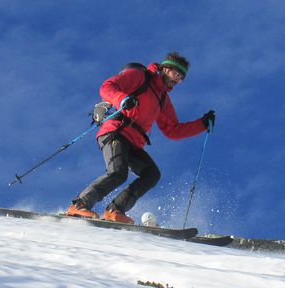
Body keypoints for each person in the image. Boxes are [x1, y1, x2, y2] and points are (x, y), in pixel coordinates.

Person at [66, 52, 215, 224]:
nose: (178, 79)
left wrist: (202, 124)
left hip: (134, 143)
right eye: (176, 73)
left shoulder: (162, 99)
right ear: (165, 68)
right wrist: (123, 99)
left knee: (151, 174)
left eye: (181, 78)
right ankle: (80, 205)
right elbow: (107, 87)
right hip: (116, 131)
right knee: (117, 172)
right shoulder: (141, 76)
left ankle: (115, 210)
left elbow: (172, 130)